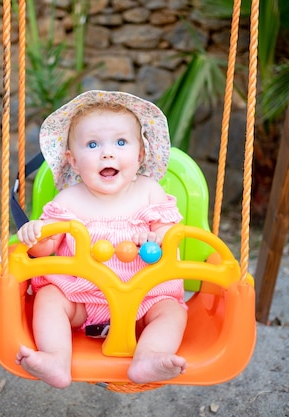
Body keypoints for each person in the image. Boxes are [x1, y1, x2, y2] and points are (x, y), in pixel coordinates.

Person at [15, 90, 188, 388]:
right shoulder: (67, 200)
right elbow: (46, 250)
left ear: (140, 154)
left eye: (121, 142)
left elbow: (171, 234)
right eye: (92, 144)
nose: (107, 153)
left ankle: (150, 357)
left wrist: (154, 236)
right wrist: (34, 236)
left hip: (144, 299)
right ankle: (56, 357)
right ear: (73, 160)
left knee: (171, 310)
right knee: (49, 297)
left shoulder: (149, 192)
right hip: (81, 298)